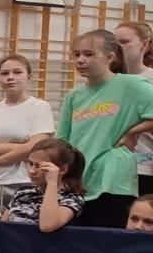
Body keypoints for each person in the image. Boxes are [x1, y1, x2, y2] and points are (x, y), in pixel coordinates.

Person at [58, 30, 153, 209]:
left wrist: (131, 132)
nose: (80, 60)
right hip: (80, 180)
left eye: (88, 54)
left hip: (114, 180)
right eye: (76, 54)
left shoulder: (133, 86)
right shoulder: (73, 96)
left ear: (109, 57)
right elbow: (62, 141)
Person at [0, 55, 54, 214]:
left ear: (29, 77)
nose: (10, 77)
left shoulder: (40, 107)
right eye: (4, 73)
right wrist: (19, 146)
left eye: (17, 72)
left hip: (26, 183)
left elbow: (35, 148)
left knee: (21, 227)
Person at [0, 138, 87, 233]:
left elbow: (47, 226)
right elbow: (4, 228)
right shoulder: (22, 192)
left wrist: (52, 183)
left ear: (62, 169)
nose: (32, 171)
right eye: (31, 164)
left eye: (39, 166)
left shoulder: (72, 198)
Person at [115, 21, 153, 194]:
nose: (118, 47)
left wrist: (131, 132)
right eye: (114, 43)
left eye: (125, 42)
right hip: (113, 165)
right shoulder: (108, 80)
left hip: (145, 166)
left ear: (145, 44)